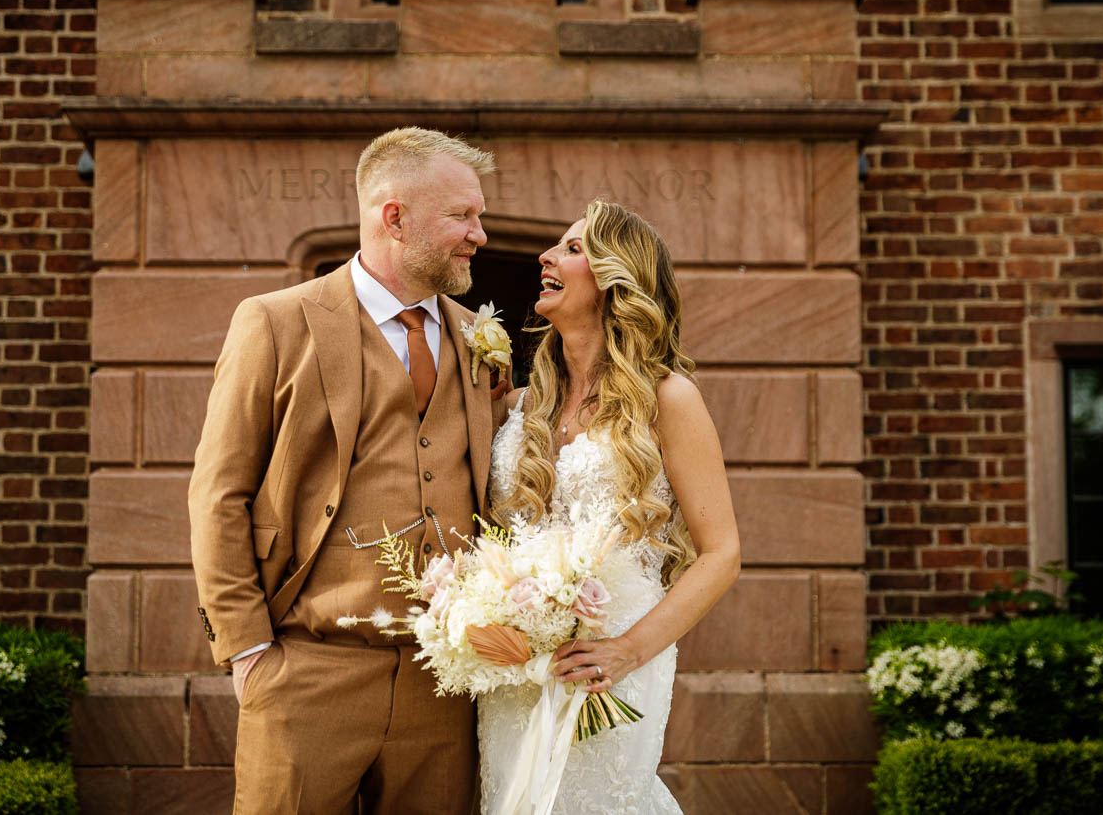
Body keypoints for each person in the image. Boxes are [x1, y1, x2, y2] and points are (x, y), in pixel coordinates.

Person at [188, 126, 506, 815]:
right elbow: (218, 494)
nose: (479, 233)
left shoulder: (482, 341)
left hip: (442, 681)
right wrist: (247, 652)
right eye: (462, 215)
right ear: (395, 217)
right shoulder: (274, 323)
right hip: (308, 667)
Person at [479, 201, 741, 814]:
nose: (546, 257)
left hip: (617, 659)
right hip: (516, 664)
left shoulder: (669, 399)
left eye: (572, 249)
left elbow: (722, 553)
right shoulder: (518, 405)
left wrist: (629, 649)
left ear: (618, 280)